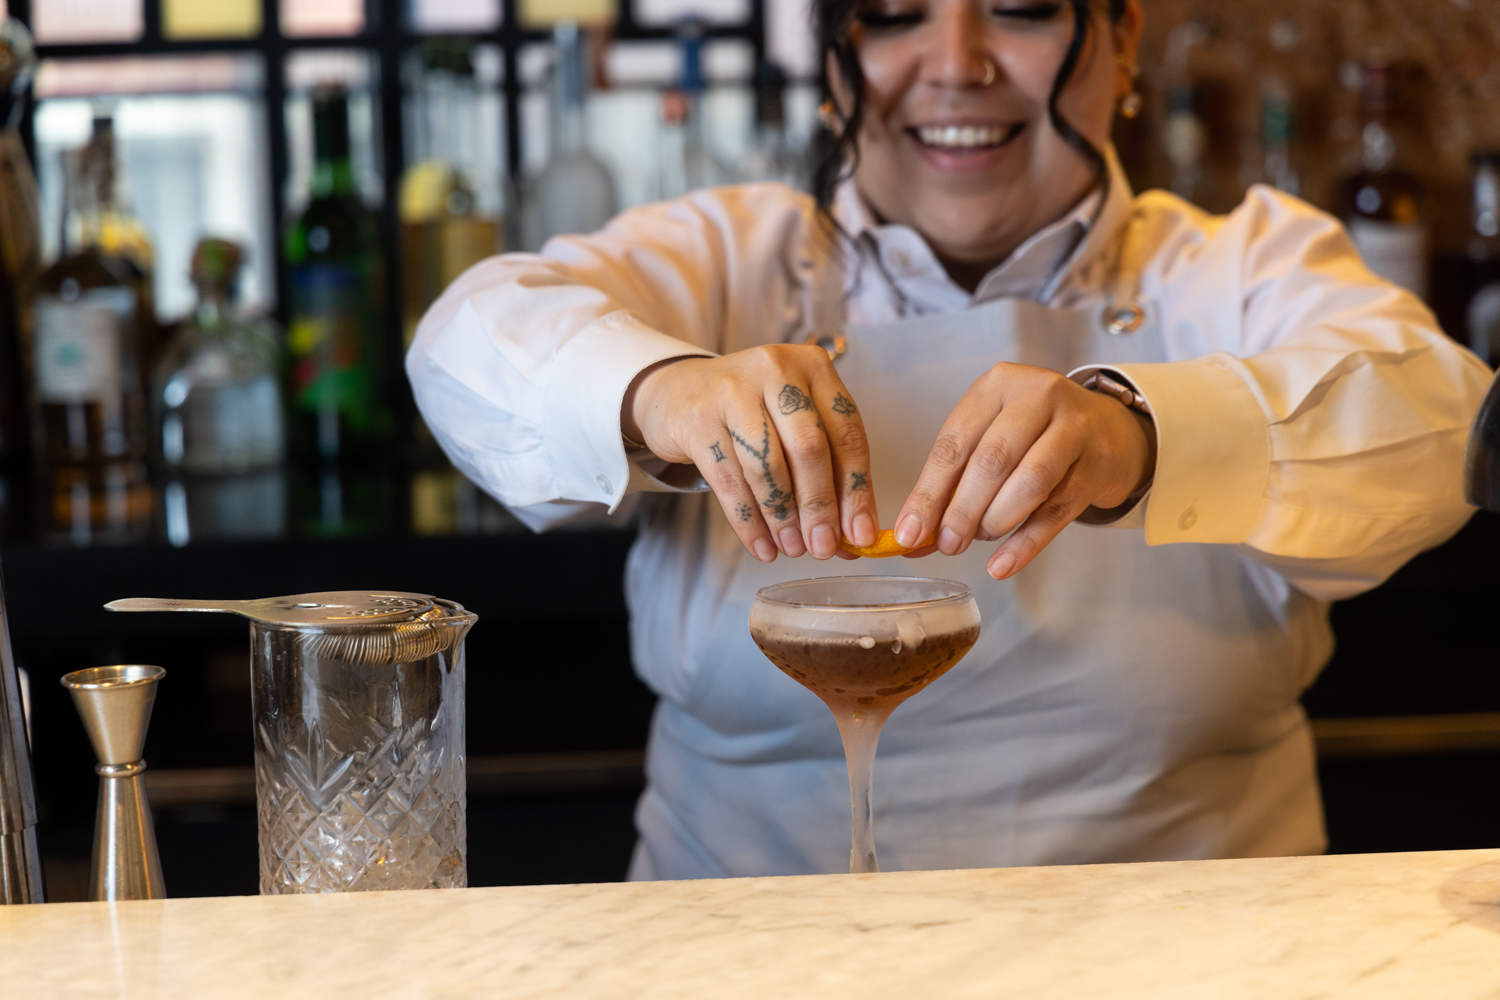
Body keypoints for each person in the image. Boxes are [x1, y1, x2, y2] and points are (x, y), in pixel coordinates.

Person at [408, 0, 1490, 878]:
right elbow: (466, 339)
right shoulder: (730, 260)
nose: (957, 61)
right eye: (894, 16)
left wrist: (1139, 432)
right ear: (836, 64)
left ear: (1122, 45)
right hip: (746, 961)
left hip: (1200, 956)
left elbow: (1441, 419)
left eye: (1019, 11)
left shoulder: (1234, 268)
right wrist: (662, 390)